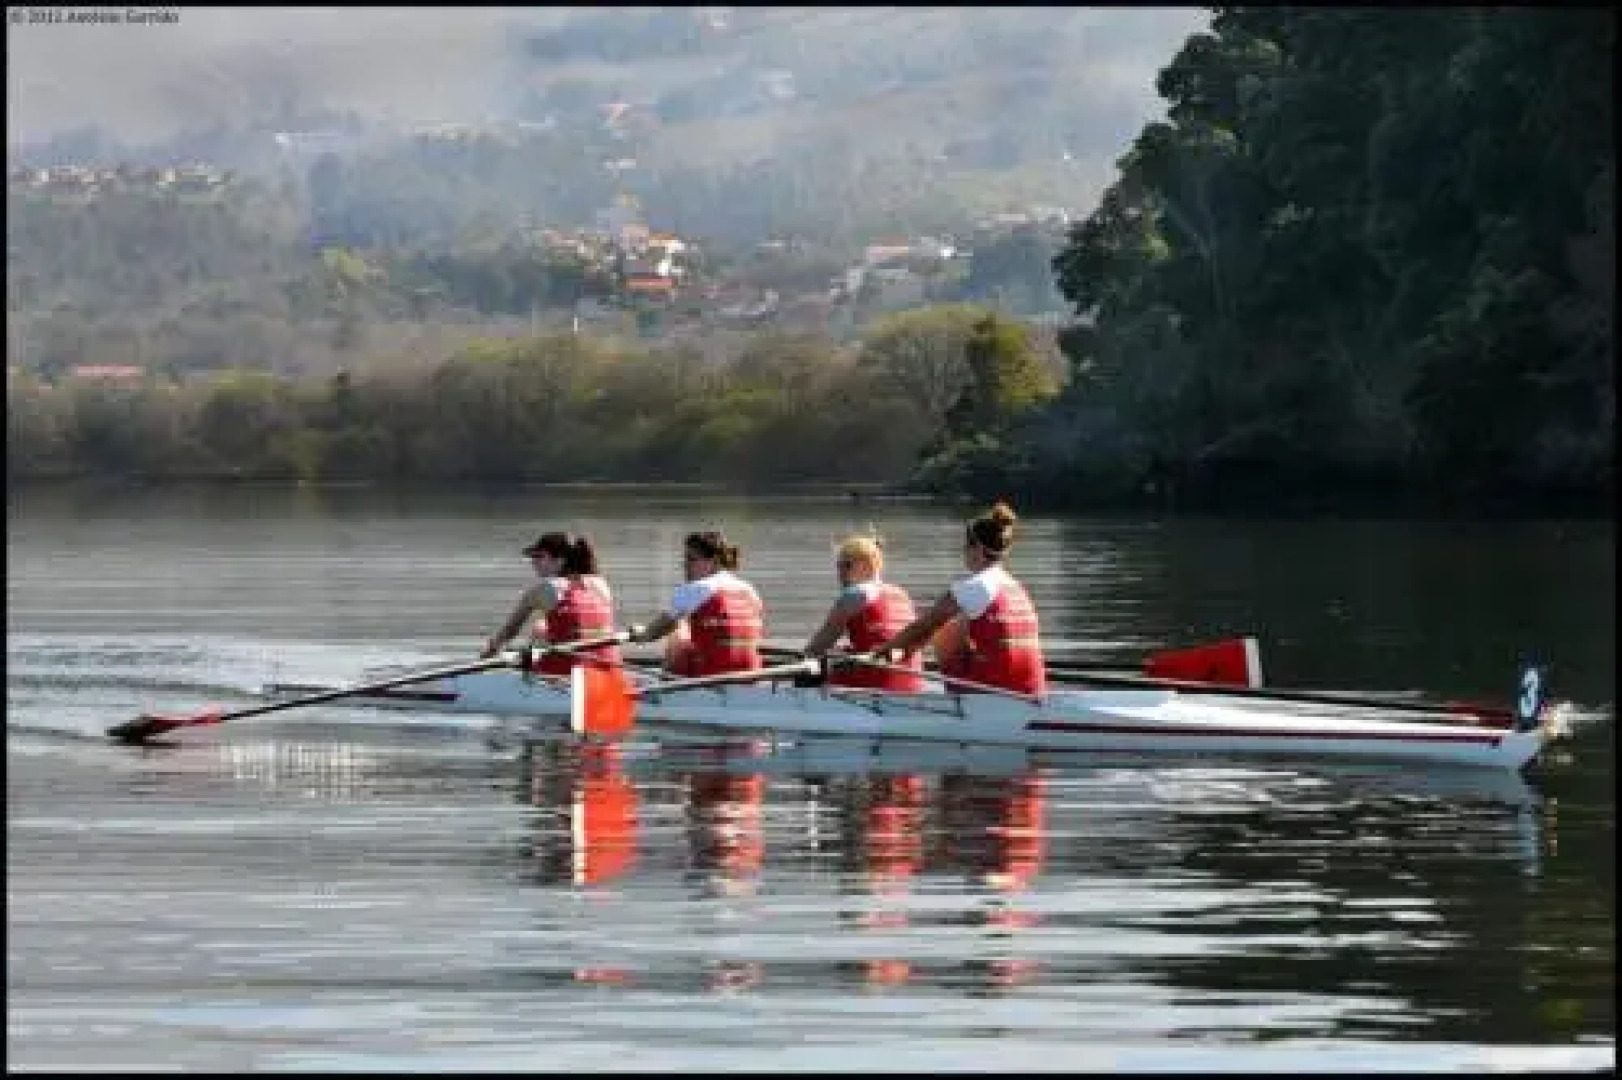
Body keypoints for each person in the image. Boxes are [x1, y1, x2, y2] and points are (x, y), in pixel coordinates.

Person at [870, 501, 1046, 695]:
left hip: (994, 690)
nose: (963, 551)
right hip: (1030, 688)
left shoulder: (974, 586)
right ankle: (907, 654)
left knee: (942, 629)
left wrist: (884, 650)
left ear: (977, 548)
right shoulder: (1015, 586)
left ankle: (955, 696)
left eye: (965, 546)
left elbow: (924, 624)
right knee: (960, 622)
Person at [480, 531, 622, 677]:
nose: (533, 562)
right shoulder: (601, 584)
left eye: (539, 556)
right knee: (544, 627)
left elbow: (509, 632)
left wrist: (487, 656)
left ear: (560, 560)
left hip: (565, 674)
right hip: (607, 669)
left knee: (539, 628)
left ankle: (536, 678)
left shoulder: (546, 588)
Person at [800, 535, 926, 692]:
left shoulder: (856, 594)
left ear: (868, 564)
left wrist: (802, 660)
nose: (840, 573)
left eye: (847, 565)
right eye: (839, 566)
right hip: (912, 686)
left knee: (808, 667)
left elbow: (817, 647)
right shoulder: (902, 594)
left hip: (873, 687)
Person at [630, 530, 764, 677]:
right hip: (752, 677)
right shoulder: (750, 590)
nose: (685, 565)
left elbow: (654, 631)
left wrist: (640, 634)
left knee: (678, 630)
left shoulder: (696, 588)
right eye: (685, 559)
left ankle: (665, 688)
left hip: (710, 679)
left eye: (692, 559)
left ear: (714, 561)